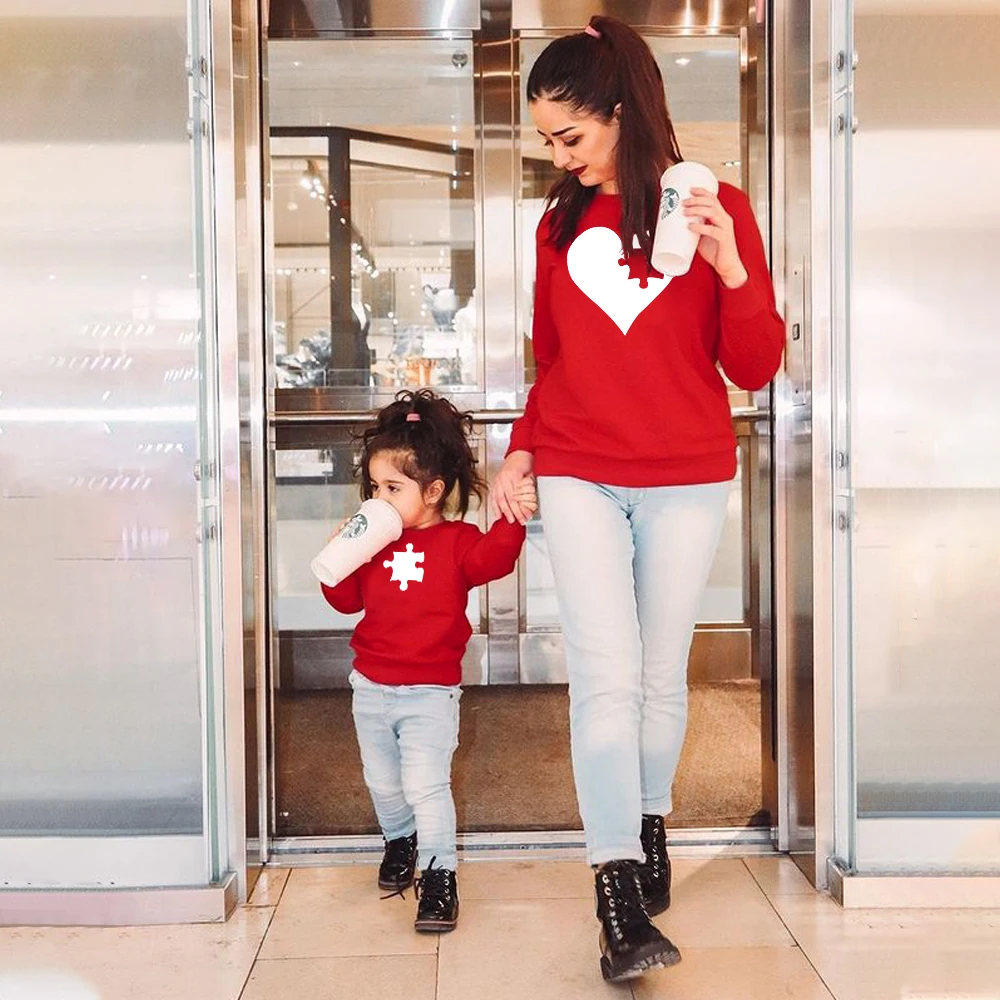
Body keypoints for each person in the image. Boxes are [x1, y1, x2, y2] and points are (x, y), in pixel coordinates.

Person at [490, 15, 785, 983]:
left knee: (661, 676)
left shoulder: (716, 206)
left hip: (687, 474)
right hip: (578, 466)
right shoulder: (557, 225)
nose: (559, 157)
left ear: (622, 111)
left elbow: (754, 364)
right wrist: (520, 450)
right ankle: (615, 888)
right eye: (547, 140)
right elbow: (553, 359)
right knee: (605, 676)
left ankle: (648, 818)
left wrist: (730, 267)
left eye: (570, 135)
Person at [321, 388, 537, 933]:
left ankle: (439, 875)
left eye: (393, 488)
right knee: (382, 781)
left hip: (430, 693)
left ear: (434, 491)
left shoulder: (458, 541)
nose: (380, 498)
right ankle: (400, 840)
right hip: (371, 686)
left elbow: (496, 558)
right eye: (375, 487)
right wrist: (341, 554)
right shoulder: (373, 544)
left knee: (426, 784)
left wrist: (514, 517)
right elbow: (345, 601)